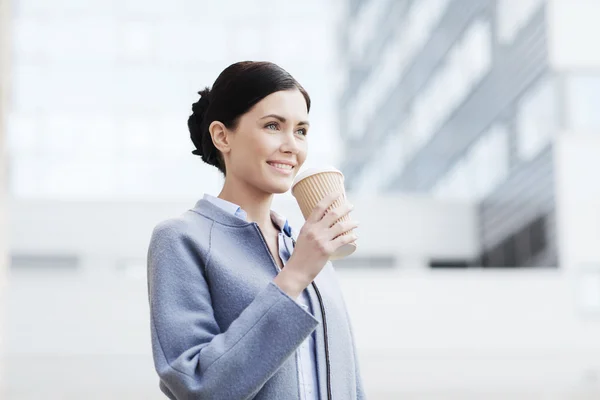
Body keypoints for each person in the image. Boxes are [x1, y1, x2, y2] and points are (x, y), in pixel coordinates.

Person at [147, 61, 364, 400]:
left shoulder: (307, 248)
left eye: (302, 130)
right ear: (222, 135)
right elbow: (196, 385)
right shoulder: (180, 239)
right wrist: (293, 277)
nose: (292, 145)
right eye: (273, 126)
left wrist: (306, 262)